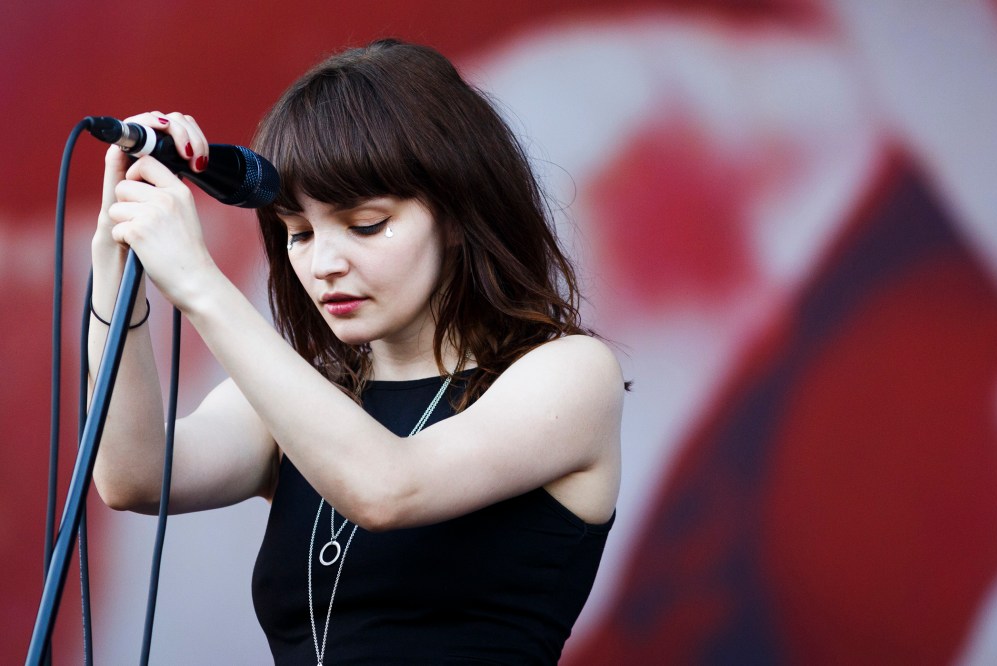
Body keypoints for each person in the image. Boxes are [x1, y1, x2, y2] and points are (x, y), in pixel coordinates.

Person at [91, 38, 624, 664]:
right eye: (299, 232)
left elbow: (389, 486)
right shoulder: (300, 396)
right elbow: (132, 475)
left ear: (455, 215)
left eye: (365, 225)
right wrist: (115, 250)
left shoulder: (569, 373)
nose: (324, 263)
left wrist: (202, 283)